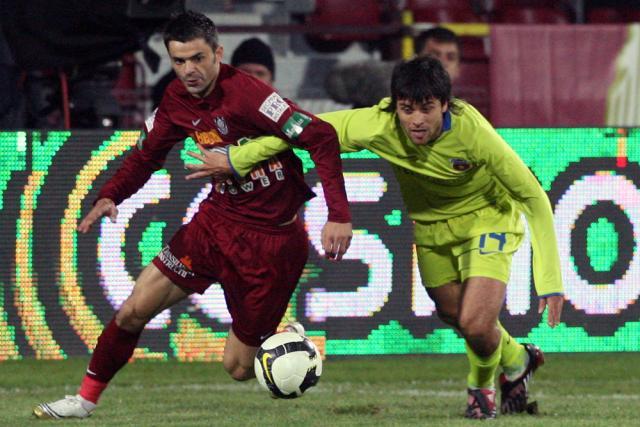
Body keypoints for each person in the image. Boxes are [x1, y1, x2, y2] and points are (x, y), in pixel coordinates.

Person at [204, 56, 564, 419]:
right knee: (453, 314)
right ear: (395, 106)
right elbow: (304, 129)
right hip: (430, 228)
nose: (416, 120)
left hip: (488, 221)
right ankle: (518, 360)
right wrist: (239, 158)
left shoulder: (473, 132)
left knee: (474, 321)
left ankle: (480, 387)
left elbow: (533, 197)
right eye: (407, 109)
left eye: (426, 109)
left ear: (445, 104)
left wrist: (549, 280)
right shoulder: (378, 124)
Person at [33, 11, 353, 419]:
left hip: (270, 245)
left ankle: (290, 339)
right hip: (215, 224)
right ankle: (83, 400)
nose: (189, 70)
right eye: (179, 61)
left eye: (198, 58)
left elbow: (321, 136)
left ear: (217, 52)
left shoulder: (251, 95)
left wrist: (338, 215)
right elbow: (146, 155)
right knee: (134, 309)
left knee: (238, 368)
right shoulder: (176, 100)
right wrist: (110, 194)